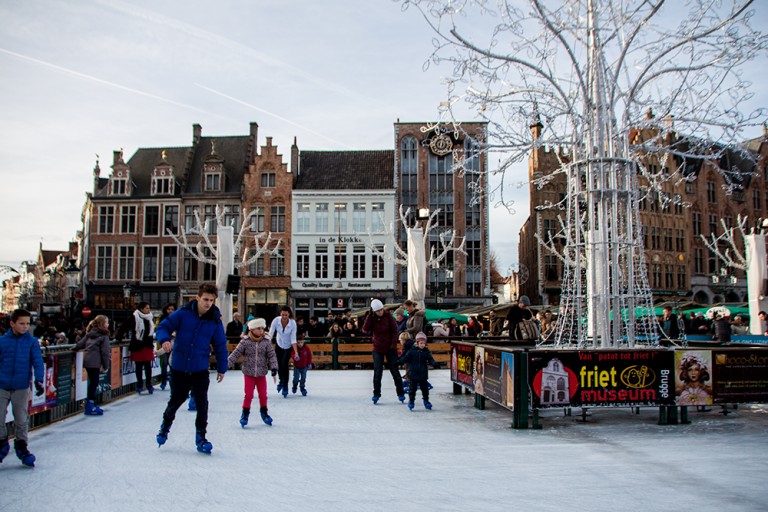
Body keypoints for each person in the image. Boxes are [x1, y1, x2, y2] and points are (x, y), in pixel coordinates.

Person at [155, 283, 228, 454]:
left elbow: (220, 344)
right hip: (180, 367)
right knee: (176, 401)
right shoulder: (183, 313)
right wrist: (164, 340)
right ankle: (165, 427)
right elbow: (163, 326)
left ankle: (201, 437)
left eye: (211, 300)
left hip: (199, 368)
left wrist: (222, 368)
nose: (208, 303)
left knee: (202, 404)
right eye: (205, 299)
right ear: (197, 298)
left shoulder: (214, 320)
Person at [0, 309, 45, 467]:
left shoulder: (31, 342)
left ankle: (21, 446)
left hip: (21, 386)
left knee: (21, 417)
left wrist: (39, 380)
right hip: (2, 385)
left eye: (27, 323)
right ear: (12, 323)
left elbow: (38, 361)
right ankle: (1, 443)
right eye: (21, 323)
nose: (25, 326)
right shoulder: (2, 341)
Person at [227, 318, 278, 427]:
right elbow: (236, 353)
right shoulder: (245, 341)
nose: (261, 330)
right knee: (249, 395)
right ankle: (245, 414)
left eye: (262, 328)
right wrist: (226, 364)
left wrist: (274, 368)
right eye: (258, 328)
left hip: (261, 373)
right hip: (248, 373)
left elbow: (271, 355)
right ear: (252, 329)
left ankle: (264, 412)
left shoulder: (266, 341)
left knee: (263, 395)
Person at [362, 299, 405, 404]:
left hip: (390, 348)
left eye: (381, 309)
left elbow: (394, 331)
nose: (380, 312)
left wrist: (393, 345)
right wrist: (369, 316)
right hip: (377, 348)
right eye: (378, 311)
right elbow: (365, 329)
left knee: (395, 371)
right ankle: (376, 394)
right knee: (377, 372)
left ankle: (400, 393)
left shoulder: (388, 316)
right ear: (374, 311)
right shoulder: (372, 317)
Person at [116, 302, 156, 395]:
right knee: (139, 366)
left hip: (147, 344)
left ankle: (149, 384)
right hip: (138, 344)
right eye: (146, 308)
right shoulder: (135, 317)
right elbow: (124, 327)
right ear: (141, 309)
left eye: (149, 308)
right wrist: (119, 337)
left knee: (148, 366)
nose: (148, 310)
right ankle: (139, 384)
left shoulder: (150, 317)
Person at [75, 314, 111, 416]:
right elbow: (105, 352)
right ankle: (90, 405)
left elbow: (80, 344)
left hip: (87, 361)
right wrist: (106, 365)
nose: (108, 325)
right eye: (107, 323)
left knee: (92, 382)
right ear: (103, 324)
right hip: (95, 362)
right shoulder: (104, 336)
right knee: (94, 383)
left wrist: (73, 348)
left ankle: (90, 404)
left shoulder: (90, 334)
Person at [397, 332, 439, 410]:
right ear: (417, 343)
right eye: (421, 343)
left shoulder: (426, 351)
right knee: (412, 389)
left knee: (425, 389)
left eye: (424, 343)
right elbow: (405, 358)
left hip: (423, 374)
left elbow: (430, 359)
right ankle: (411, 401)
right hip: (413, 374)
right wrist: (398, 362)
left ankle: (426, 401)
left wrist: (434, 363)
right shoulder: (412, 351)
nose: (422, 345)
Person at [268, 305, 299, 398]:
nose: (284, 317)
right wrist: (266, 344)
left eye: (286, 315)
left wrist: (296, 352)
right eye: (282, 315)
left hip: (288, 346)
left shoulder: (293, 323)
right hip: (279, 344)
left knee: (284, 364)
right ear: (280, 314)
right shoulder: (276, 320)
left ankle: (285, 385)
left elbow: (293, 338)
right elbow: (270, 333)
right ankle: (281, 380)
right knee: (278, 363)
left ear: (289, 314)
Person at [156, 303, 175, 390]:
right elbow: (159, 330)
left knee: (172, 365)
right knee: (164, 363)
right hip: (165, 343)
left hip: (174, 344)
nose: (170, 311)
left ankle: (172, 383)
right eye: (169, 309)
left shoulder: (176, 319)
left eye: (172, 309)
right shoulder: (162, 320)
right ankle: (163, 381)